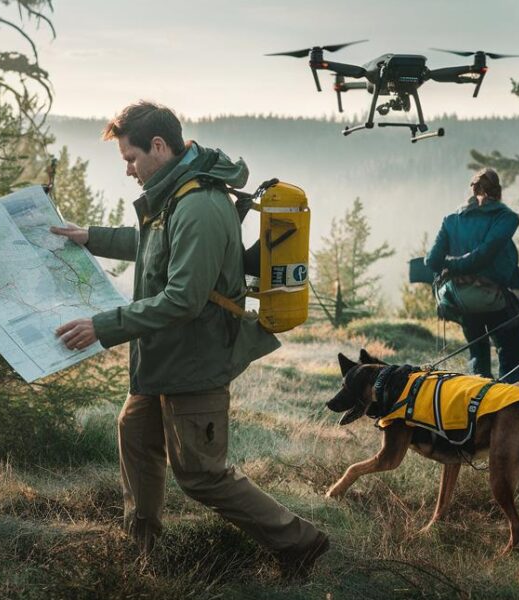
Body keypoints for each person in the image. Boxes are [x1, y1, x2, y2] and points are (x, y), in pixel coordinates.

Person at [49, 101, 329, 579]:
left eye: (131, 159)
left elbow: (183, 299)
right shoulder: (174, 195)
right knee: (135, 436)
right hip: (162, 360)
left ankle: (300, 542)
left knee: (201, 474)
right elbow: (152, 246)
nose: (129, 170)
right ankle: (142, 553)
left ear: (158, 146)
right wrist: (90, 236)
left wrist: (104, 326)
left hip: (195, 358)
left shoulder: (197, 203)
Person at [425, 168, 519, 383]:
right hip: (496, 295)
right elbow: (484, 255)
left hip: (462, 298)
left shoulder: (451, 220)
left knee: (477, 353)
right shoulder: (506, 218)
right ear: (498, 191)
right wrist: (459, 266)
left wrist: (451, 268)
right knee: (513, 350)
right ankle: (507, 401)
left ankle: (480, 404)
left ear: (472, 191)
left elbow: (431, 261)